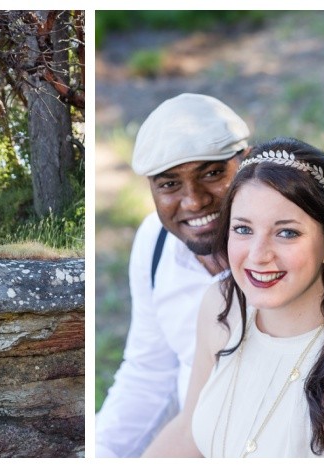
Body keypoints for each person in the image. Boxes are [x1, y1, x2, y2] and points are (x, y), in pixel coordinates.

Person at [143, 137, 324, 457]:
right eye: (244, 229)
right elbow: (189, 431)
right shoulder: (221, 305)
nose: (258, 256)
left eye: (286, 232)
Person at [96, 93, 251, 456]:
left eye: (212, 174)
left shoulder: (292, 249)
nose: (194, 201)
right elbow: (149, 373)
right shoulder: (154, 243)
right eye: (169, 184)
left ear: (246, 161)